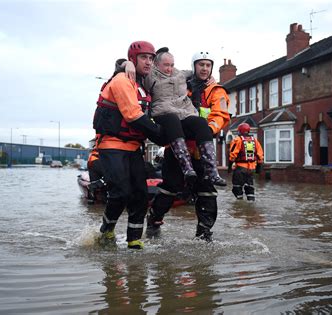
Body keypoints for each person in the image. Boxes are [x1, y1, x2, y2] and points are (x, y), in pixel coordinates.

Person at [146, 50, 231, 242]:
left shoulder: (216, 91)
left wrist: (207, 130)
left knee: (207, 193)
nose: (204, 68)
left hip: (201, 151)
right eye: (201, 65)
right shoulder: (182, 85)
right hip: (176, 149)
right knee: (169, 188)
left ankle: (204, 234)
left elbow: (221, 116)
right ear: (194, 67)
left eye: (208, 65)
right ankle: (154, 221)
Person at [92, 40, 163, 249]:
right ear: (133, 60)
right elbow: (132, 115)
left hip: (133, 148)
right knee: (121, 192)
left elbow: (173, 76)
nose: (149, 62)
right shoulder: (123, 79)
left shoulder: (144, 84)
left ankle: (134, 239)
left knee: (141, 195)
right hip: (112, 145)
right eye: (144, 58)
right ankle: (106, 231)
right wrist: (161, 135)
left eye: (151, 58)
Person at [123, 47, 226, 186]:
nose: (169, 69)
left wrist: (210, 78)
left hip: (184, 112)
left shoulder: (181, 74)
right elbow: (133, 70)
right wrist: (125, 63)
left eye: (172, 65)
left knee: (201, 122)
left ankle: (212, 171)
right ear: (156, 64)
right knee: (172, 120)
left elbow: (198, 74)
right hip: (164, 112)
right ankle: (187, 168)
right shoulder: (150, 75)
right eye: (166, 65)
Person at [228, 123, 264, 201]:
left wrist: (229, 168)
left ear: (239, 131)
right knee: (250, 187)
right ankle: (251, 202)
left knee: (236, 188)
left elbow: (232, 154)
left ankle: (240, 204)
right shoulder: (255, 140)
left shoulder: (237, 140)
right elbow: (260, 155)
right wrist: (258, 169)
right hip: (251, 169)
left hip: (240, 168)